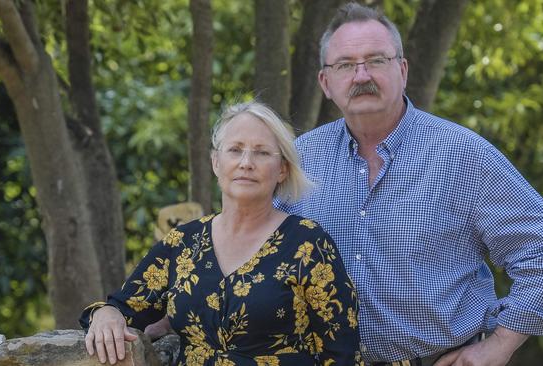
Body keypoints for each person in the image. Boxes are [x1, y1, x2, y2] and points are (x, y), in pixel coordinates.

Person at [276, 3, 543, 366]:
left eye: (376, 60)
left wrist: (499, 345)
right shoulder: (301, 159)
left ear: (402, 70)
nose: (361, 76)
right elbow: (258, 259)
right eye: (345, 65)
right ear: (325, 83)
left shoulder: (464, 156)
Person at [80, 101, 363, 366]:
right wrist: (105, 315)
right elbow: (123, 305)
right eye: (235, 149)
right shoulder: (182, 243)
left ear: (282, 170)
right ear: (216, 162)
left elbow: (341, 352)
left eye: (262, 152)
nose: (246, 163)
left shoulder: (308, 244)